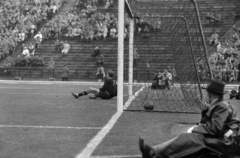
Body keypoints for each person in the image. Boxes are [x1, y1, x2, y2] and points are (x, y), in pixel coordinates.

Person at [139, 79, 240, 158]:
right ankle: (154, 151)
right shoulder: (220, 104)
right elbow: (213, 126)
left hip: (225, 142)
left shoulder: (221, 106)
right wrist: (205, 111)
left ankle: (153, 152)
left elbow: (216, 129)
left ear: (210, 94)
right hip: (225, 139)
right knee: (189, 138)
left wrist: (195, 129)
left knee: (189, 137)